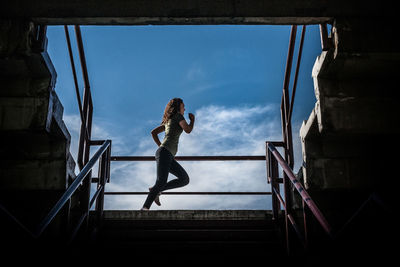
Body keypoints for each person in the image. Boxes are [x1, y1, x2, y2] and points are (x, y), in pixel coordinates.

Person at [141, 98, 195, 210]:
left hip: (167, 155)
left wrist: (161, 146)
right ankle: (145, 208)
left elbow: (153, 133)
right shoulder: (178, 117)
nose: (184, 108)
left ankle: (157, 190)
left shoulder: (170, 120)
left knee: (184, 179)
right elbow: (188, 130)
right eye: (183, 106)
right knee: (161, 181)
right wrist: (192, 120)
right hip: (165, 153)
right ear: (178, 107)